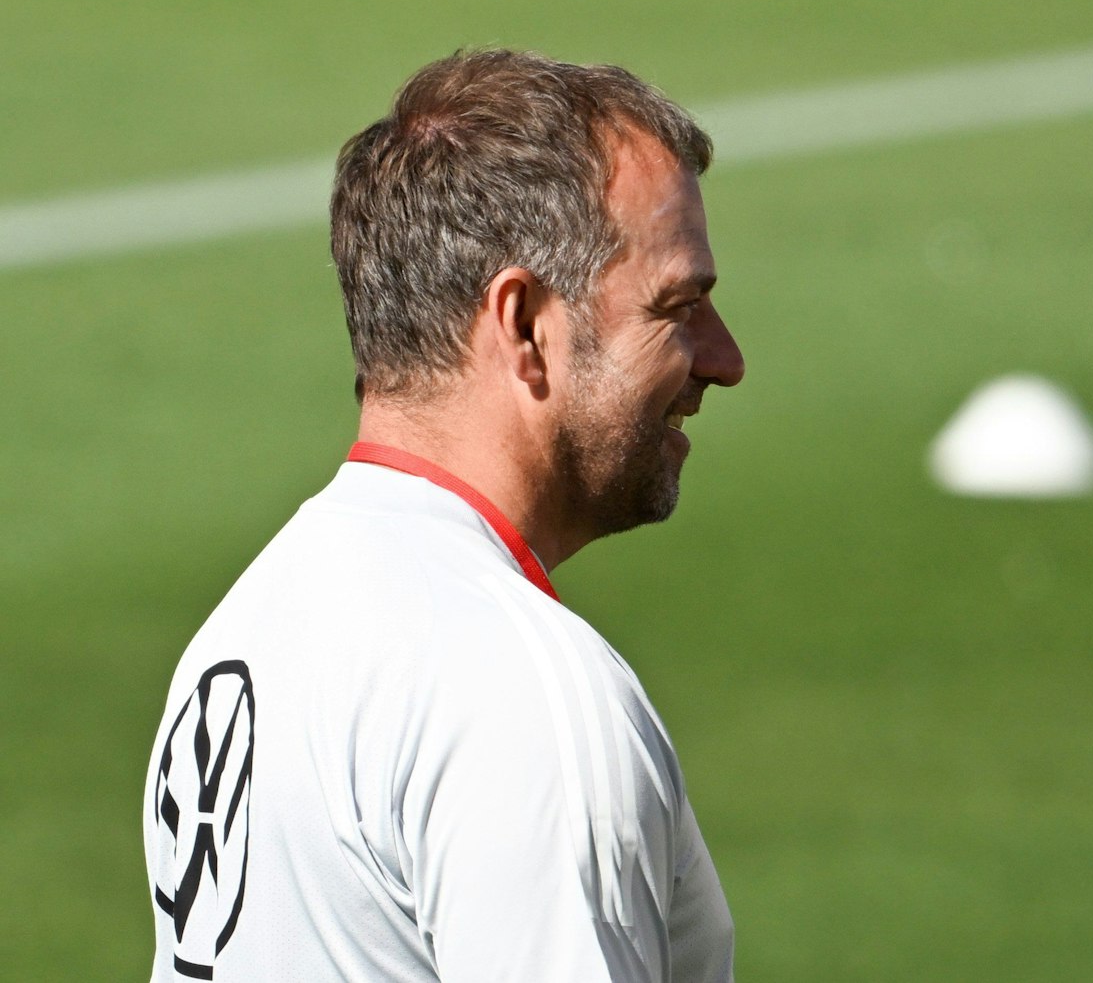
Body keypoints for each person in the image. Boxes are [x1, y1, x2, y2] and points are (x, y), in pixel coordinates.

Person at [141, 50, 745, 982]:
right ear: (526, 325)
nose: (724, 359)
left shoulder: (244, 637)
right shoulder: (519, 694)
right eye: (678, 307)